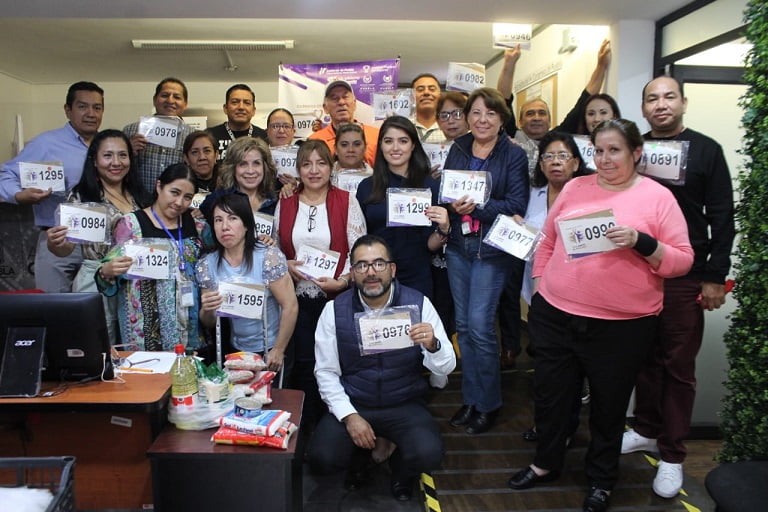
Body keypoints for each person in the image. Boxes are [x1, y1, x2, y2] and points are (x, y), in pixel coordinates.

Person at [507, 119, 693, 512]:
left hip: (622, 328)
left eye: (615, 150)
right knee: (552, 399)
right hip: (556, 315)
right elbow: (549, 241)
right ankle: (545, 463)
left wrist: (642, 242)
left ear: (636, 153)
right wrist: (540, 287)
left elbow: (681, 261)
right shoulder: (576, 187)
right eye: (599, 151)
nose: (605, 159)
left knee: (608, 408)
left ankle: (602, 479)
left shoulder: (658, 198)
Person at [621, 76, 736, 499]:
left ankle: (672, 455)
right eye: (652, 98)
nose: (661, 104)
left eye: (669, 96)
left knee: (678, 366)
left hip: (686, 274)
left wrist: (714, 277)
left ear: (683, 103)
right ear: (643, 107)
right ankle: (647, 430)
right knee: (644, 359)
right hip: (636, 270)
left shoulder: (706, 150)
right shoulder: (636, 151)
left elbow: (722, 216)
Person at [309, 235, 456, 501]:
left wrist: (433, 345)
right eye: (362, 266)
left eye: (379, 263)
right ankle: (361, 458)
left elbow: (446, 367)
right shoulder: (333, 310)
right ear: (352, 273)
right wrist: (349, 417)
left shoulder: (419, 304)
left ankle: (402, 469)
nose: (371, 272)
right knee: (322, 457)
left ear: (393, 269)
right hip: (357, 400)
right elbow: (326, 372)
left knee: (429, 453)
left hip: (403, 401)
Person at [444, 87, 529, 434]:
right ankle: (471, 399)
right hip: (458, 247)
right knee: (463, 328)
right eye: (476, 113)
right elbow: (447, 191)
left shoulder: (513, 154)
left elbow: (516, 204)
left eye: (491, 113)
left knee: (480, 327)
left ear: (502, 119)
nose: (482, 120)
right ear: (467, 117)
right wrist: (452, 204)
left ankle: (489, 403)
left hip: (492, 251)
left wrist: (477, 207)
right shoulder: (459, 147)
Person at [274, 140, 366, 430]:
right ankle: (307, 428)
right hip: (297, 300)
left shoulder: (346, 199)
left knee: (338, 362)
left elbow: (359, 250)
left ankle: (338, 425)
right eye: (306, 164)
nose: (314, 170)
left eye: (321, 163)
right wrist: (285, 265)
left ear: (331, 166)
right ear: (298, 169)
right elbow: (274, 249)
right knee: (304, 364)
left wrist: (342, 280)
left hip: (336, 298)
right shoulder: (285, 201)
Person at [45, 129, 150, 344]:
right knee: (102, 345)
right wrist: (56, 243)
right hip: (95, 280)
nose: (116, 162)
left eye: (123, 155)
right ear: (94, 160)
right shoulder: (82, 197)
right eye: (107, 155)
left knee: (133, 346)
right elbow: (65, 248)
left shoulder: (139, 195)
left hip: (135, 281)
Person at [0, 81, 104, 292]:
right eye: (82, 106)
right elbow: (5, 173)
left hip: (101, 242)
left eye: (97, 107)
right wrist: (19, 196)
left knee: (100, 309)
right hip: (57, 238)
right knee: (55, 309)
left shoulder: (107, 145)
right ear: (68, 110)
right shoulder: (46, 143)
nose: (91, 113)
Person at [97, 163, 212, 351]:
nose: (179, 202)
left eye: (187, 197)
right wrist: (107, 271)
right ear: (159, 186)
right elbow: (108, 275)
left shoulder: (198, 226)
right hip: (144, 330)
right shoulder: (131, 225)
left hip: (189, 327)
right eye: (174, 192)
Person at [198, 193, 297, 373]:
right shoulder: (207, 264)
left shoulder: (268, 257)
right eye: (218, 220)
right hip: (235, 350)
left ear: (246, 225)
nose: (225, 226)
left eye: (232, 218)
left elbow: (290, 305)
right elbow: (209, 322)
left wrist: (279, 349)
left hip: (271, 347)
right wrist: (207, 309)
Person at [356, 116, 448, 299]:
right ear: (380, 145)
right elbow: (358, 237)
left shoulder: (430, 186)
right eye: (388, 141)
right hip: (374, 275)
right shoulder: (367, 187)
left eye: (403, 141)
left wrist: (444, 229)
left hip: (417, 275)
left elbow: (429, 246)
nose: (395, 148)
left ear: (413, 145)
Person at [123, 77, 193, 192]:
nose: (170, 101)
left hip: (177, 203)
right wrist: (127, 152)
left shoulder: (193, 136)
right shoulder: (131, 131)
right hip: (137, 201)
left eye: (177, 97)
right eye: (165, 95)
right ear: (155, 100)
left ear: (185, 104)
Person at [199, 136, 278, 221]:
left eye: (256, 163)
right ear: (232, 168)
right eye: (243, 164)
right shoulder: (217, 199)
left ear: (265, 167)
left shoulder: (275, 201)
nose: (250, 171)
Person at [308, 81, 380, 166]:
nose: (341, 102)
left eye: (345, 97)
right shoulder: (314, 140)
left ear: (354, 104)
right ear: (325, 108)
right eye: (334, 98)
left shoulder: (376, 136)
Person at [207, 84, 268, 162]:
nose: (241, 107)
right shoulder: (210, 135)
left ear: (253, 110)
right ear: (225, 108)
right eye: (235, 102)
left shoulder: (264, 137)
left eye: (247, 103)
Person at [331, 123, 373, 195]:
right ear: (335, 149)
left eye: (357, 144)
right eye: (344, 145)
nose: (351, 150)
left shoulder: (377, 180)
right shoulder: (324, 178)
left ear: (365, 148)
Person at [412, 73, 445, 144]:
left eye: (432, 89)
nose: (426, 93)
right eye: (420, 90)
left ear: (440, 95)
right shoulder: (404, 125)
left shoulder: (450, 125)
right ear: (411, 97)